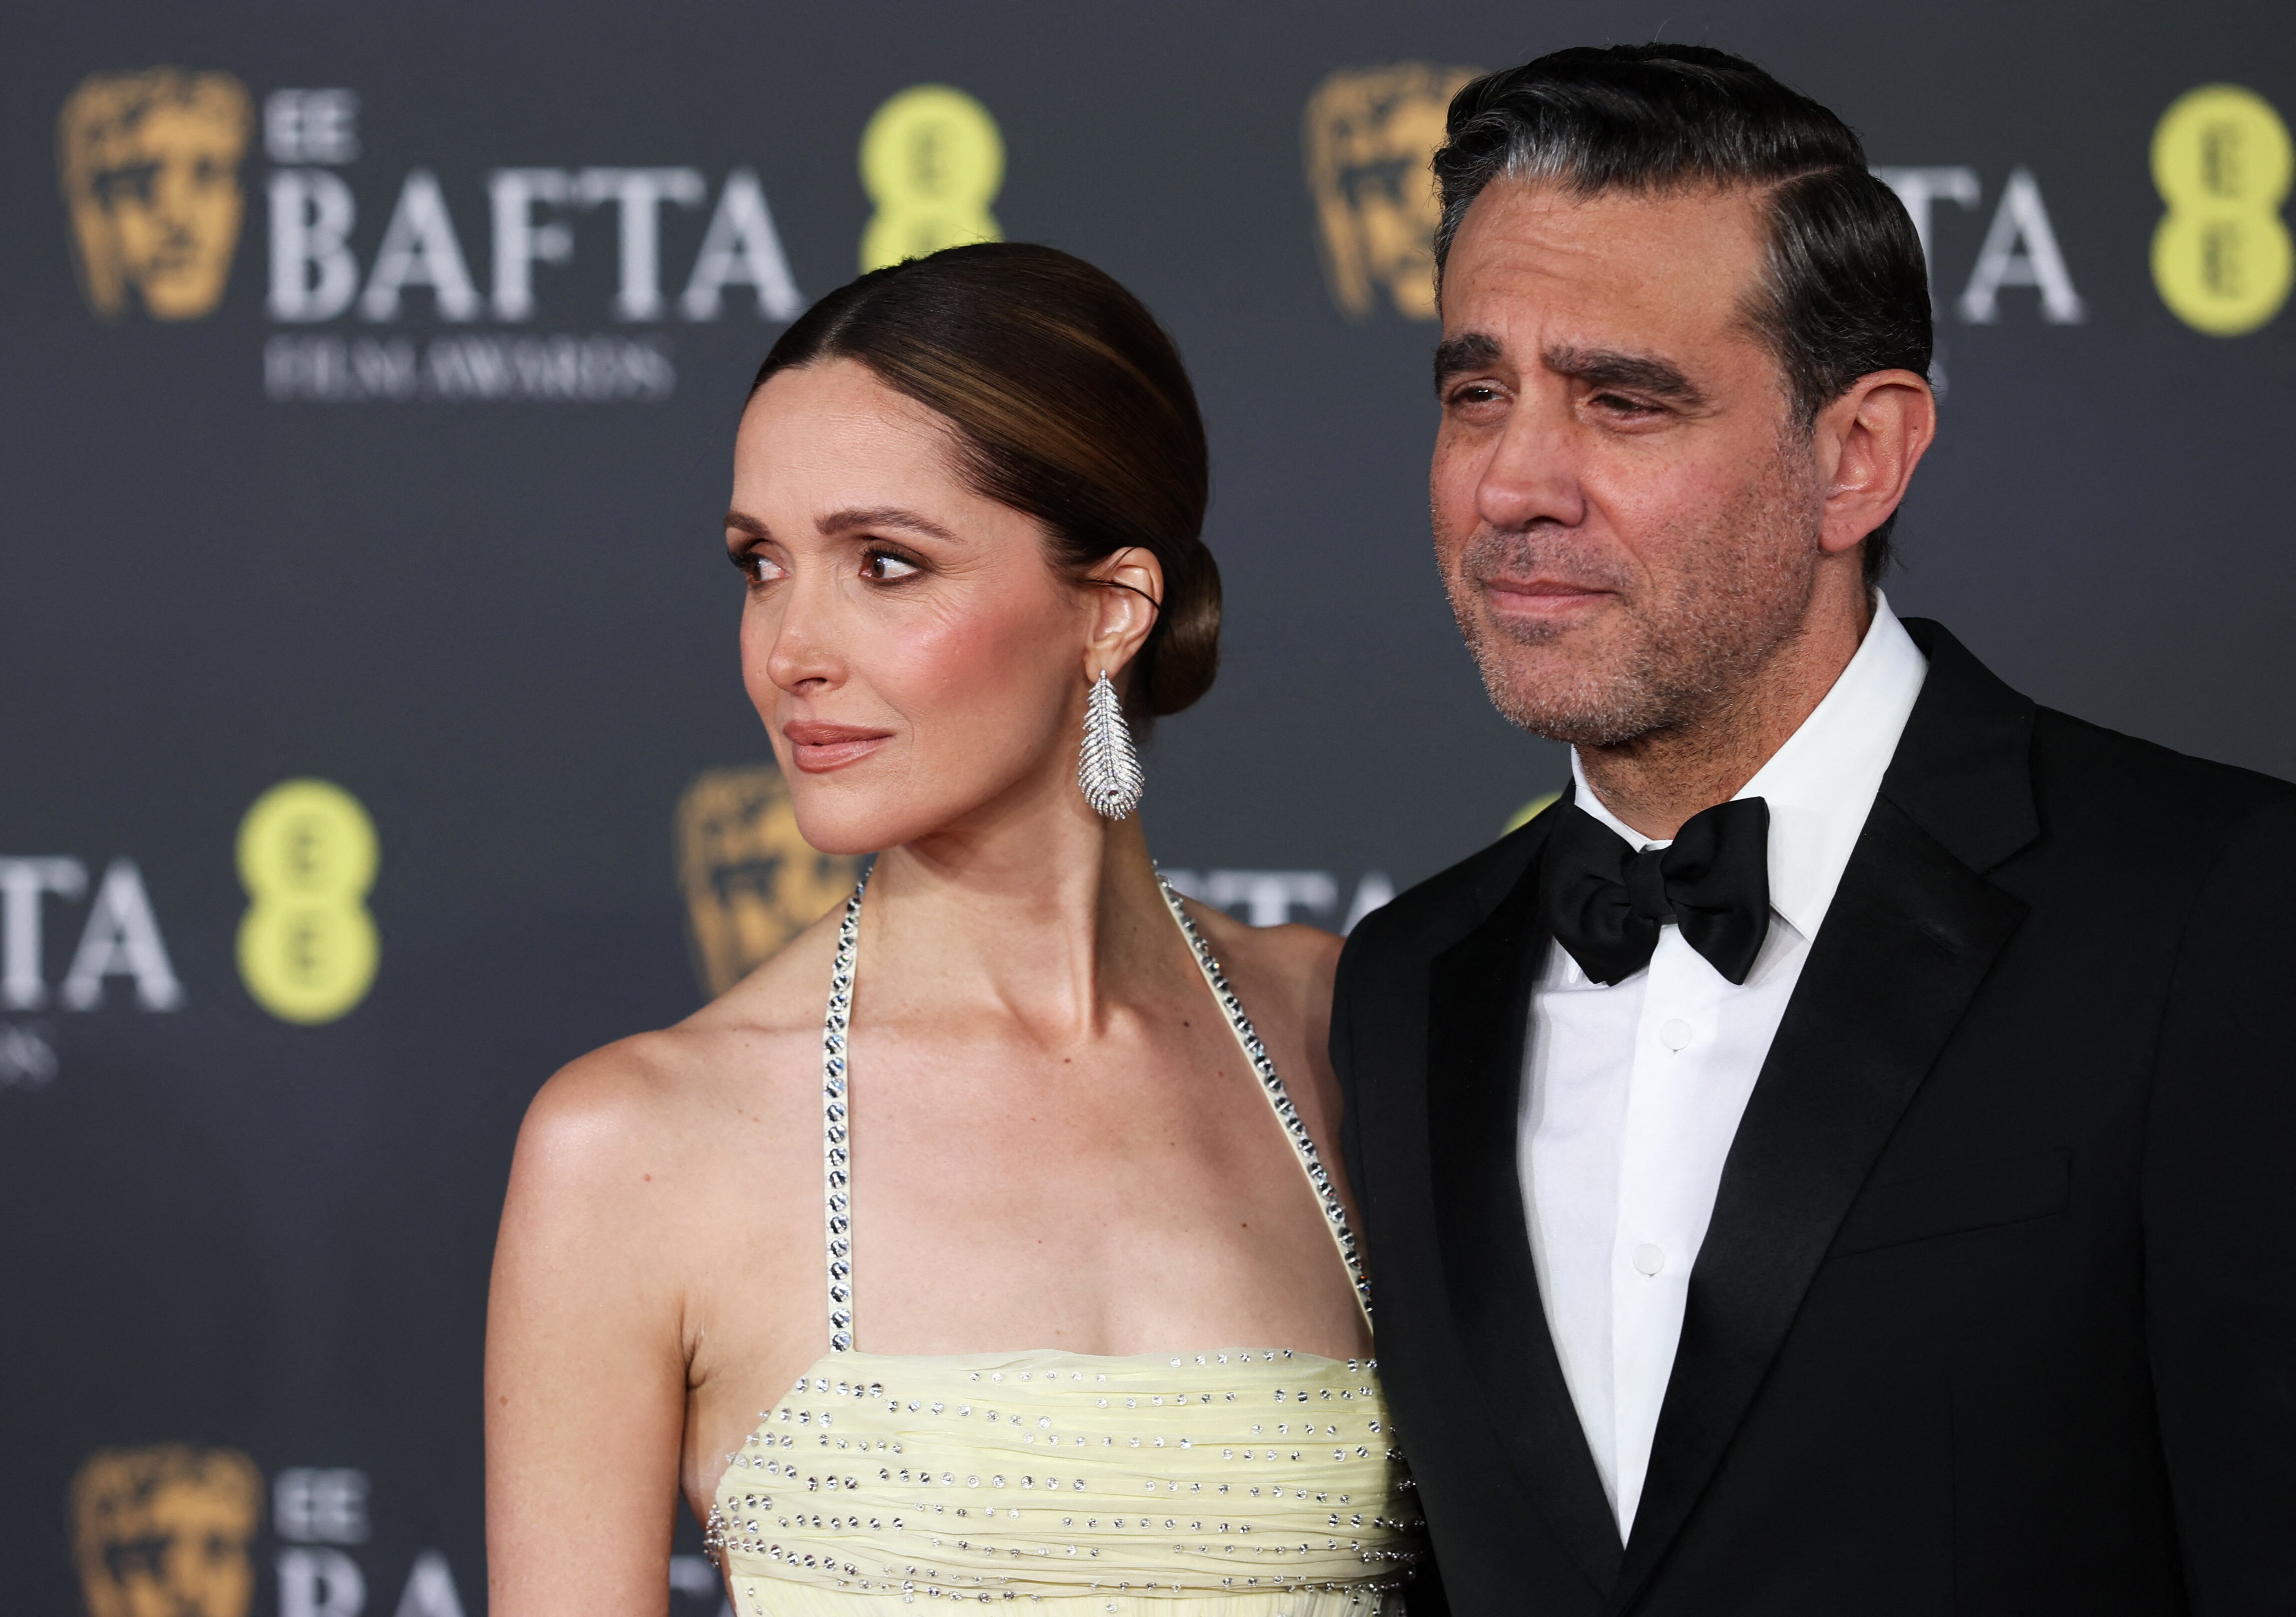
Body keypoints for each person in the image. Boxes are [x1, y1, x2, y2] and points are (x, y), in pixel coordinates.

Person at [1333, 43, 2296, 1616]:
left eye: (1623, 402)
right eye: (1477, 394)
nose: (1512, 484)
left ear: (1858, 458)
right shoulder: (1404, 983)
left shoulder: (2220, 912)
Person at [485, 243, 1427, 1617]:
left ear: (1112, 609)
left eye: (883, 563)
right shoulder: (632, 1145)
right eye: (761, 565)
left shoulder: (1337, 1030)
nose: (790, 650)